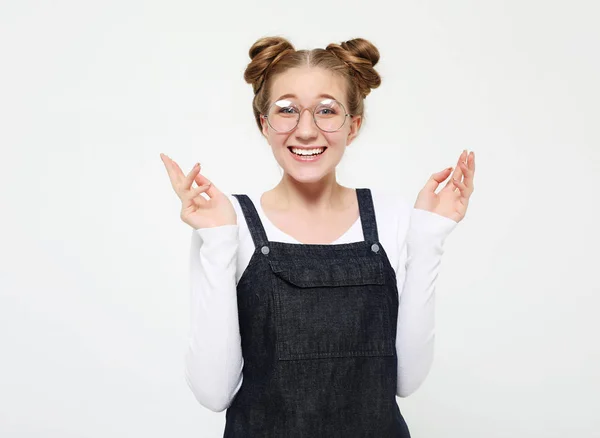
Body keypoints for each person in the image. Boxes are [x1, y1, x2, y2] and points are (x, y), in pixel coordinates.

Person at [160, 36, 475, 437]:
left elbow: (406, 382)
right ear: (263, 123)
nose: (306, 130)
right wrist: (220, 239)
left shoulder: (395, 218)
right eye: (287, 110)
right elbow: (213, 392)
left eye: (327, 110)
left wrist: (430, 236)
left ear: (353, 125)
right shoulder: (226, 220)